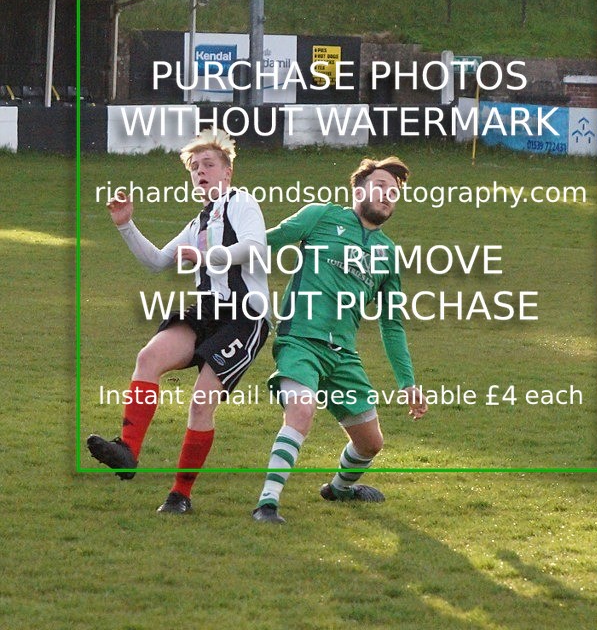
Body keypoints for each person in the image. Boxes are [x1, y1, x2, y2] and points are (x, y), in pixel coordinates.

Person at [87, 129, 269, 514]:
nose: (200, 172)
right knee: (149, 357)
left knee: (201, 404)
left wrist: (205, 258)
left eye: (208, 165)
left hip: (244, 316)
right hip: (207, 311)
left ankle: (180, 494)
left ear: (227, 172)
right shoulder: (198, 222)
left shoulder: (241, 202)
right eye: (194, 167)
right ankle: (126, 450)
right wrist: (125, 225)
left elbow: (254, 247)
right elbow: (156, 263)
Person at [252, 156, 427, 524]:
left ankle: (339, 489)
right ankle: (267, 504)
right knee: (301, 410)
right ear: (359, 188)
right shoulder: (321, 216)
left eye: (394, 193)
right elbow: (263, 242)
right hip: (300, 340)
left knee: (371, 443)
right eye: (380, 186)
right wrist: (213, 252)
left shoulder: (389, 254)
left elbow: (391, 324)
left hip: (343, 355)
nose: (387, 195)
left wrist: (407, 382)